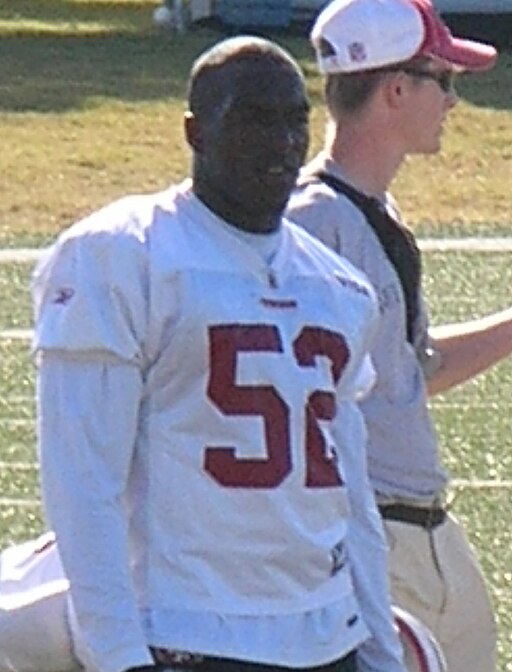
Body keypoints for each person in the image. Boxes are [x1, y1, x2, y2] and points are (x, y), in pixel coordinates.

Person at [0, 36, 406, 672]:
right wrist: (117, 655)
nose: (281, 142)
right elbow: (84, 484)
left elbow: (350, 498)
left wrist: (380, 649)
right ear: (195, 131)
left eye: (294, 121)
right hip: (189, 631)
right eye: (252, 119)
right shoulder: (122, 256)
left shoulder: (336, 286)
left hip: (325, 632)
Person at [286, 1, 512, 671]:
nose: (451, 99)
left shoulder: (375, 212)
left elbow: (413, 372)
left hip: (430, 530)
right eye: (441, 78)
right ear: (394, 89)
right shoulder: (311, 226)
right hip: (368, 533)